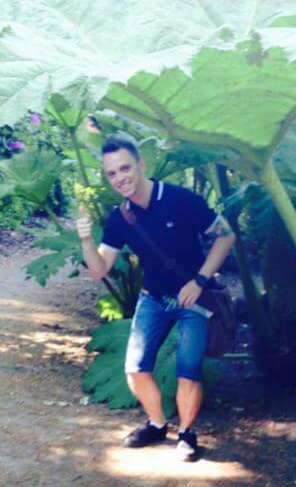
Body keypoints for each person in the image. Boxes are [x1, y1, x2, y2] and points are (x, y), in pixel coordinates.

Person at [77, 136, 236, 461]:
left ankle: (187, 434)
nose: (120, 177)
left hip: (193, 298)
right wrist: (85, 240)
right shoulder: (120, 218)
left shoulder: (179, 200)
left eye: (125, 168)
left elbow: (226, 235)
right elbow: (99, 269)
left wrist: (200, 280)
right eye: (111, 173)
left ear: (140, 165)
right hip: (153, 299)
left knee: (188, 370)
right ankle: (157, 424)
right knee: (135, 368)